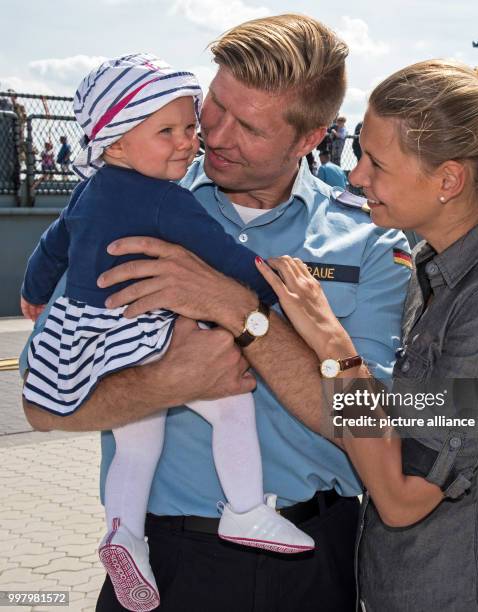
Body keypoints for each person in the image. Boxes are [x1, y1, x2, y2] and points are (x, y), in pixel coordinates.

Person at [21, 15, 411, 612]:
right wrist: (161, 384)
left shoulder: (368, 240)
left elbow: (367, 420)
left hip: (308, 556)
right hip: (162, 561)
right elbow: (42, 405)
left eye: (248, 126)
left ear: (309, 139)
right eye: (214, 106)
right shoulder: (130, 199)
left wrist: (239, 310)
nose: (214, 136)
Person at [252, 60, 478, 610]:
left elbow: (400, 499)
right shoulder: (433, 271)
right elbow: (399, 422)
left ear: (447, 180)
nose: (356, 177)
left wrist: (333, 346)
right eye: (358, 155)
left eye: (377, 162)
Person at [20, 53, 313, 612]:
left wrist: (34, 292)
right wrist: (276, 295)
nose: (189, 143)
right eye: (167, 132)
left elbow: (53, 243)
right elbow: (225, 256)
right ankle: (247, 509)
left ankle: (124, 534)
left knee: (138, 442)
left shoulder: (91, 189)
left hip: (85, 337)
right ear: (116, 144)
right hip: (137, 332)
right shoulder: (163, 199)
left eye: (188, 128)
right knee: (230, 406)